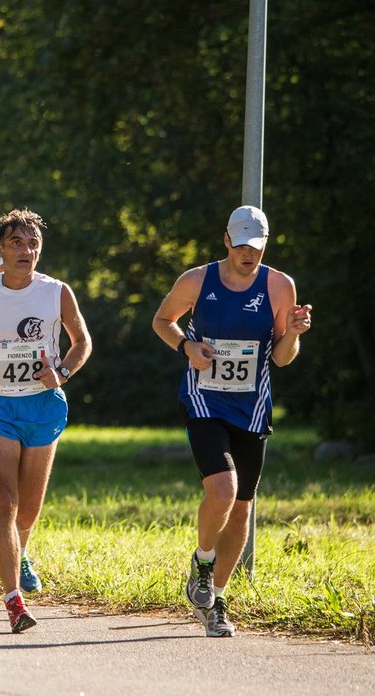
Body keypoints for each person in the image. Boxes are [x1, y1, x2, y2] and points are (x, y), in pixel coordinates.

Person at [152, 205, 310, 638]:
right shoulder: (196, 280)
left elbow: (280, 357)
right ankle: (203, 564)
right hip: (203, 399)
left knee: (242, 509)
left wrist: (293, 333)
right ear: (226, 241)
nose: (248, 255)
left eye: (255, 248)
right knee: (223, 488)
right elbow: (161, 320)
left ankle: (216, 599)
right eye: (240, 246)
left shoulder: (279, 285)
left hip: (252, 407)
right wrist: (187, 347)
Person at [0, 209, 91, 632]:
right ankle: (13, 600)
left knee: (26, 512)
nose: (27, 251)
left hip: (43, 406)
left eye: (33, 244)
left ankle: (4, 553)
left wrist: (61, 372)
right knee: (2, 501)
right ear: (0, 250)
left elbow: (82, 341)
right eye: (18, 243)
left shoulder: (57, 292)